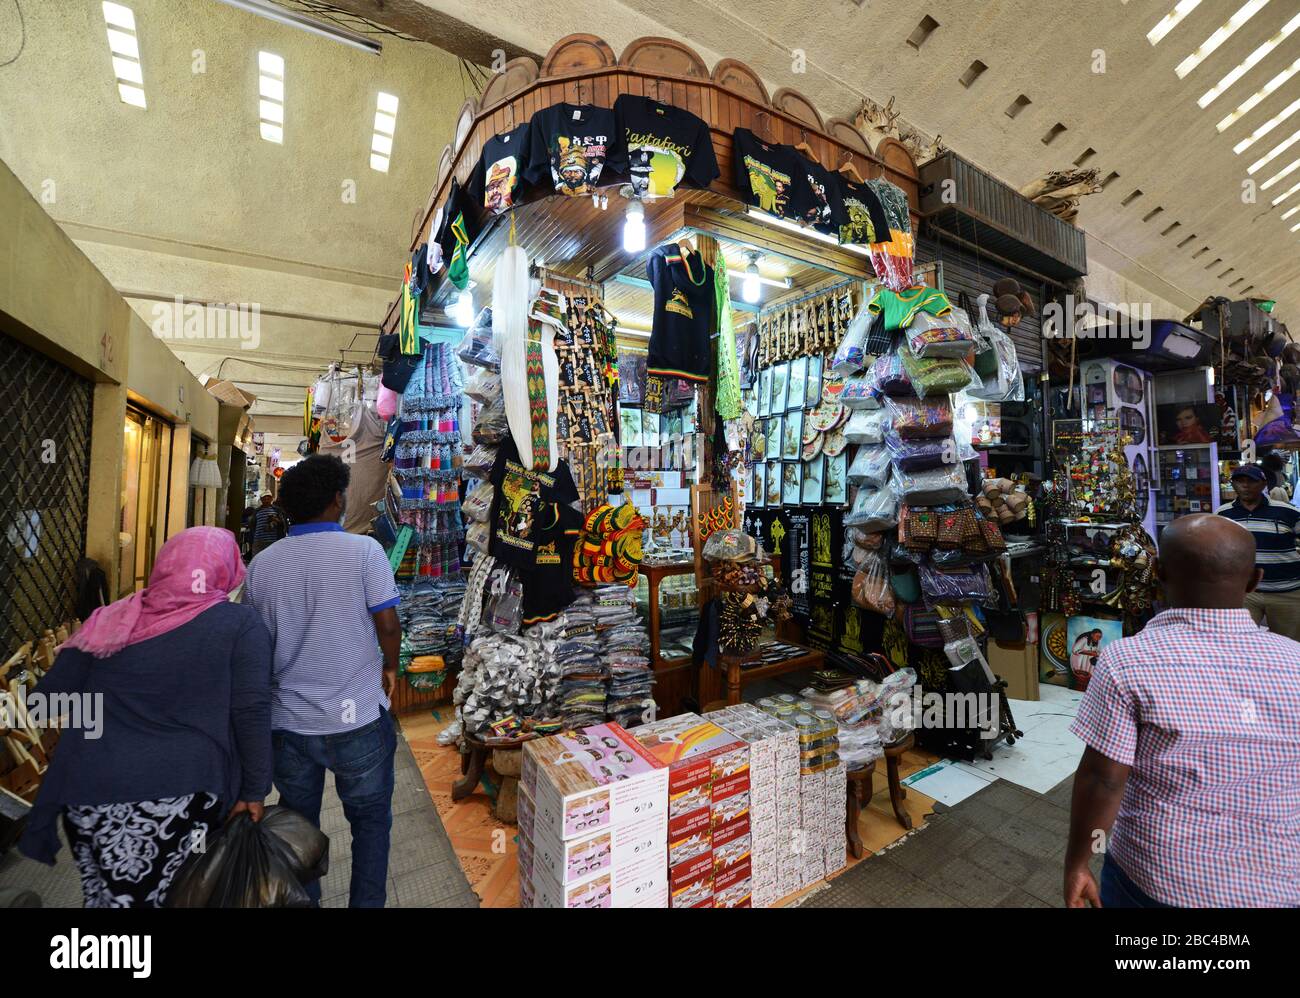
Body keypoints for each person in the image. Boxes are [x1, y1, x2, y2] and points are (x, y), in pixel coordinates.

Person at [19, 527, 272, 907]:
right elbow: (250, 711)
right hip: (184, 793)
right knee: (183, 896)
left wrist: (107, 707)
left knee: (107, 901)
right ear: (226, 569)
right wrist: (255, 790)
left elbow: (44, 705)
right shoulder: (239, 625)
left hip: (90, 791)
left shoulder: (109, 621)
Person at [1064, 514, 1300, 908]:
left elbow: (1103, 781)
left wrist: (1077, 862)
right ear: (1255, 580)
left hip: (1158, 876)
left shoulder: (1127, 660)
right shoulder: (1295, 661)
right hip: (1280, 881)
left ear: (1157, 573)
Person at [244, 454, 402, 908]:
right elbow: (387, 624)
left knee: (299, 827)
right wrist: (389, 668)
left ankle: (305, 901)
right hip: (357, 719)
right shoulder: (364, 551)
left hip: (290, 722)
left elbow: (259, 644)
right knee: (371, 822)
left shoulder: (263, 565)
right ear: (338, 499)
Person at [1215, 463, 1300, 641]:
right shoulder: (1223, 514)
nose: (1245, 486)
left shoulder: (1287, 512)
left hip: (1287, 592)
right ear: (1233, 485)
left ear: (1263, 484)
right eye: (1239, 481)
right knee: (1239, 643)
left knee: (1291, 645)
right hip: (1244, 594)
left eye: (1251, 481)